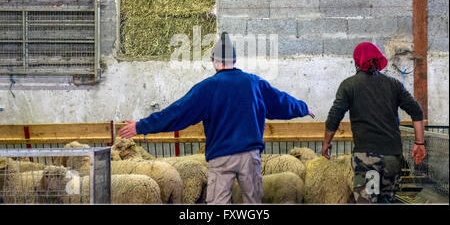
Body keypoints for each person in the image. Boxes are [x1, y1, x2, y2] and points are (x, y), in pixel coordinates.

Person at [118, 32, 315, 204]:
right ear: (234, 61)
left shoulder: (208, 88)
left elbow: (177, 112)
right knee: (253, 203)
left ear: (215, 61)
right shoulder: (254, 84)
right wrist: (303, 108)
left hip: (221, 157)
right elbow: (280, 102)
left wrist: (141, 126)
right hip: (250, 156)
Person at [323, 42, 426, 204]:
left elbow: (334, 116)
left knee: (367, 201)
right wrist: (420, 143)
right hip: (392, 158)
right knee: (387, 201)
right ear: (378, 60)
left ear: (357, 61)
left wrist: (326, 143)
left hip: (367, 160)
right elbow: (417, 111)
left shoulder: (349, 85)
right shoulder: (394, 84)